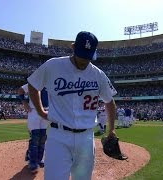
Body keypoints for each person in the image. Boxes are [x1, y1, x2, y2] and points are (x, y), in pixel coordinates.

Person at [27, 31, 117, 180]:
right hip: (58, 136)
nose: (83, 61)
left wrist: (112, 129)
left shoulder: (98, 74)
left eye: (87, 57)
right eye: (81, 54)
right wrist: (41, 110)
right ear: (73, 47)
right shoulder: (53, 65)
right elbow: (32, 84)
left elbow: (110, 101)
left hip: (86, 138)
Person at [17, 84, 49, 173]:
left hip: (47, 111)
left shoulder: (52, 82)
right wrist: (24, 103)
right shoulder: (34, 81)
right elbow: (20, 90)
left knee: (42, 138)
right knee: (35, 137)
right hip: (34, 111)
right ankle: (33, 162)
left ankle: (39, 158)